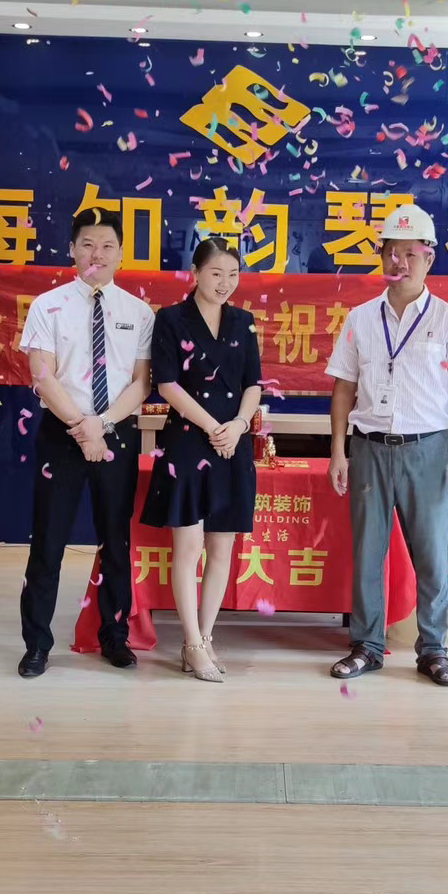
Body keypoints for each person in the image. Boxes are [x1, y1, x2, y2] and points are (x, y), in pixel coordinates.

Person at [326, 202, 448, 686]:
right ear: (381, 257)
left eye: (410, 253)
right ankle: (367, 646)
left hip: (428, 449)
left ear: (429, 258)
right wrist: (338, 451)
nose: (400, 262)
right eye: (391, 252)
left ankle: (433, 650)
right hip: (369, 448)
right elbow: (343, 389)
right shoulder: (360, 319)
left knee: (432, 555)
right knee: (368, 554)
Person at [17, 206, 154, 676]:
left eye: (108, 245)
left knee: (116, 540)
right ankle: (37, 644)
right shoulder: (48, 305)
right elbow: (42, 375)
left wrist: (102, 425)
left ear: (121, 254)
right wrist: (81, 426)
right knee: (48, 542)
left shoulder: (138, 312)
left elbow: (141, 382)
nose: (98, 253)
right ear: (72, 250)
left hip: (116, 432)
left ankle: (114, 637)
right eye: (88, 244)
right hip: (62, 434)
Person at [141, 236, 263, 682]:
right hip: (189, 443)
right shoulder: (171, 319)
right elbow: (167, 384)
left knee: (221, 547)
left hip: (233, 442)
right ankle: (191, 643)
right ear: (195, 273)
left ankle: (205, 637)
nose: (225, 283)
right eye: (215, 273)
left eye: (233, 274)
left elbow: (253, 383)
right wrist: (214, 427)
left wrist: (240, 424)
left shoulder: (244, 322)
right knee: (189, 547)